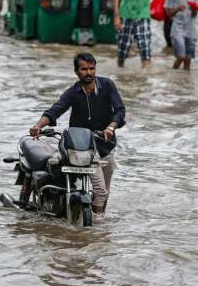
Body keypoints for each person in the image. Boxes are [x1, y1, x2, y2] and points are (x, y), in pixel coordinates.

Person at [29, 52, 126, 214]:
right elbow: (55, 110)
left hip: (106, 145)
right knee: (101, 192)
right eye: (84, 69)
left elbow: (120, 111)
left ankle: (96, 220)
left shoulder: (107, 85)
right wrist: (38, 126)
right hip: (83, 148)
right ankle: (98, 230)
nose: (88, 73)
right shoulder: (73, 92)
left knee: (103, 193)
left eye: (91, 68)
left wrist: (111, 127)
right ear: (76, 72)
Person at [165, 0, 198, 70]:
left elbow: (195, 14)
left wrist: (194, 9)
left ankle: (184, 82)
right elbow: (168, 14)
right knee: (181, 56)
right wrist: (177, 9)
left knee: (188, 60)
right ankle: (173, 74)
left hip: (191, 29)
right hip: (177, 28)